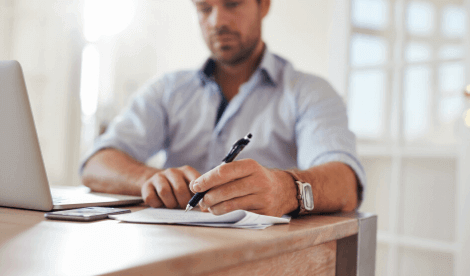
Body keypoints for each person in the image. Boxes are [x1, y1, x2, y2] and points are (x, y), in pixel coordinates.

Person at [80, 0, 366, 217]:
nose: (217, 21)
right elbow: (96, 163)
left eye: (232, 3)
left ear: (263, 5)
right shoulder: (167, 90)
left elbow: (346, 183)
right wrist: (149, 179)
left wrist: (285, 190)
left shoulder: (309, 92)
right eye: (205, 8)